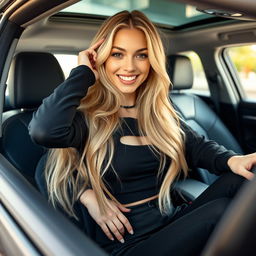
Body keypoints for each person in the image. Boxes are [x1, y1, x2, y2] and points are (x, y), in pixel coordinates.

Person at [28, 10, 256, 256]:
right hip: (127, 243)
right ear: (101, 59)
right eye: (117, 54)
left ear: (153, 61)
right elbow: (43, 133)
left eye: (142, 55)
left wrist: (233, 160)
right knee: (222, 211)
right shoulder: (86, 118)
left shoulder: (158, 114)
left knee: (244, 178)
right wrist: (83, 74)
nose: (129, 66)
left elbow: (197, 147)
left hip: (170, 221)